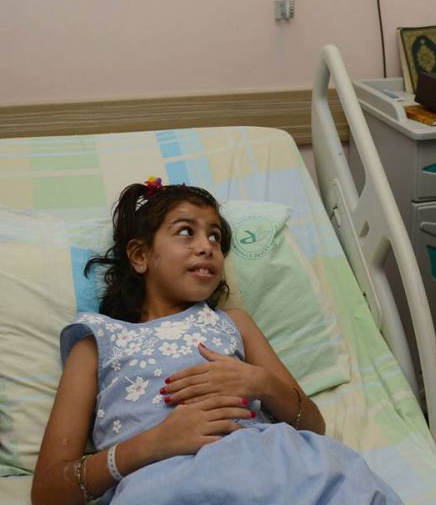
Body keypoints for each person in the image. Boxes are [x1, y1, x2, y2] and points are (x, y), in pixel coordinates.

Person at [31, 179, 400, 504]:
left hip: (274, 466)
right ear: (140, 256)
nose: (207, 246)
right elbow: (48, 491)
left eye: (215, 237)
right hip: (162, 483)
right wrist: (153, 443)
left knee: (348, 481)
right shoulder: (98, 341)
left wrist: (261, 383)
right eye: (185, 231)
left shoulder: (232, 323)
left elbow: (313, 426)